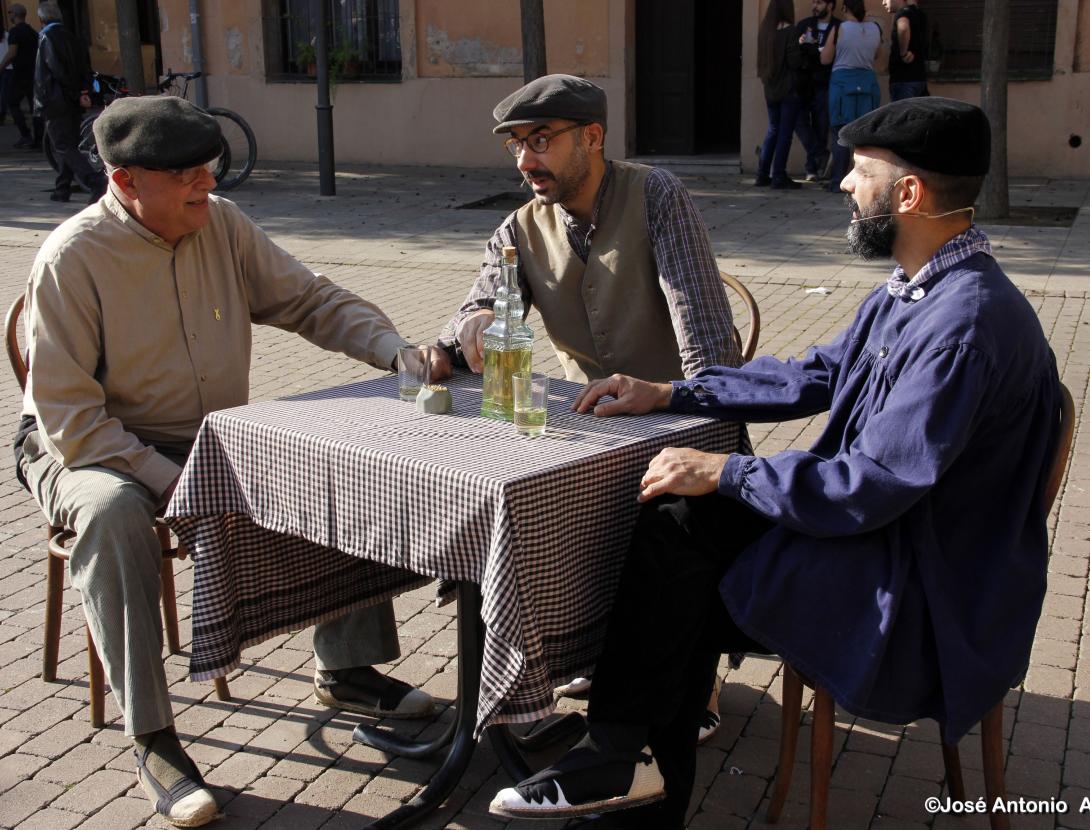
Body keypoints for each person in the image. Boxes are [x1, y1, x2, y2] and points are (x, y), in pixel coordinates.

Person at [488, 97, 1061, 829]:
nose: (845, 188)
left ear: (910, 194)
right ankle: (621, 766)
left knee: (678, 558)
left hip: (919, 588)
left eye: (859, 173)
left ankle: (620, 767)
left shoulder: (964, 324)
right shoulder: (923, 290)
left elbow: (870, 487)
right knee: (677, 534)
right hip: (888, 540)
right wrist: (673, 390)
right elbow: (813, 372)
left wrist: (726, 472)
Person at [15, 96, 450, 827]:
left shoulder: (221, 225)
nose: (205, 187)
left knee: (337, 459)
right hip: (86, 447)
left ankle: (345, 669)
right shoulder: (72, 257)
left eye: (208, 170)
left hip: (202, 436)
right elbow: (72, 421)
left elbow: (310, 300)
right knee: (114, 515)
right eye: (185, 175)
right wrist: (173, 483)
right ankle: (153, 736)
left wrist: (398, 354)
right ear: (126, 182)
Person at [438, 73, 747, 743]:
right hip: (592, 432)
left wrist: (688, 424)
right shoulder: (520, 225)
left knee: (669, 526)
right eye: (517, 146)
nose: (526, 162)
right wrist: (473, 323)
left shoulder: (656, 196)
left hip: (683, 423)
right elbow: (474, 307)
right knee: (514, 503)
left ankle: (692, 666)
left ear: (594, 138)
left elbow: (708, 345)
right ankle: (568, 652)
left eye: (541, 141)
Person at [32, 1, 106, 202]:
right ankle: (62, 187)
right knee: (68, 143)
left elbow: (56, 70)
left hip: (57, 100)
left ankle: (94, 180)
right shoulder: (72, 36)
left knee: (63, 144)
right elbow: (84, 67)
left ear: (41, 19)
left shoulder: (47, 38)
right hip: (71, 99)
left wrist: (73, 92)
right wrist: (82, 91)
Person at [822, 0, 881, 192]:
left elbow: (825, 58)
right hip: (867, 84)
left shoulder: (839, 28)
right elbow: (877, 55)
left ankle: (837, 180)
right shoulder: (874, 28)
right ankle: (866, 180)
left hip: (842, 85)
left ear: (845, 8)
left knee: (840, 133)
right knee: (865, 135)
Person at [754, 0, 805, 189]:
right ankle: (778, 175)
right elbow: (794, 62)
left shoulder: (765, 32)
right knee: (785, 133)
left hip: (770, 88)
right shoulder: (791, 31)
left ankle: (762, 174)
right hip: (788, 90)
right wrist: (800, 45)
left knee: (773, 129)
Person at [794, 0, 840, 182]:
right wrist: (800, 44)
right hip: (804, 83)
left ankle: (813, 168)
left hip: (825, 83)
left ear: (830, 5)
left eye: (819, 2)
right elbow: (795, 52)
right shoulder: (805, 25)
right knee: (800, 122)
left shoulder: (838, 27)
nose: (814, 5)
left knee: (821, 126)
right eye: (813, 2)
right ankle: (820, 155)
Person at [0, 4, 43, 149]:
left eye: (9, 12)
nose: (9, 15)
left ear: (14, 14)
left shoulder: (15, 32)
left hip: (19, 75)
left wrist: (1, 67)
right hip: (33, 74)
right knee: (35, 108)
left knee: (12, 102)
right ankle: (38, 139)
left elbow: (12, 53)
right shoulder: (32, 31)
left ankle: (25, 135)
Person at [884, 0, 929, 101]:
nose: (883, 3)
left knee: (903, 115)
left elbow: (903, 28)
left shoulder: (902, 13)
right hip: (919, 78)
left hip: (903, 80)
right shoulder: (920, 14)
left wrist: (903, 53)